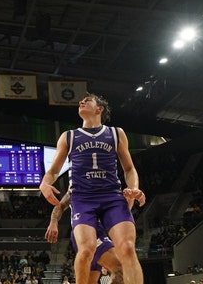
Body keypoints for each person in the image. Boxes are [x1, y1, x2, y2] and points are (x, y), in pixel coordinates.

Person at [39, 93, 146, 284]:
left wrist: (134, 188)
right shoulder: (69, 136)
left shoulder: (116, 133)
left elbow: (129, 168)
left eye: (87, 101)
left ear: (99, 109)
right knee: (87, 249)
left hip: (111, 196)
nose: (81, 102)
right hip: (82, 198)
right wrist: (45, 183)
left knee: (128, 249)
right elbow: (53, 171)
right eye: (80, 101)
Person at [45, 191, 140, 284]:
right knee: (120, 269)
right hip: (86, 231)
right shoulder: (77, 186)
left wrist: (130, 199)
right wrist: (53, 222)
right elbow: (60, 205)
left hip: (101, 232)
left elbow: (119, 215)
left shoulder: (109, 185)